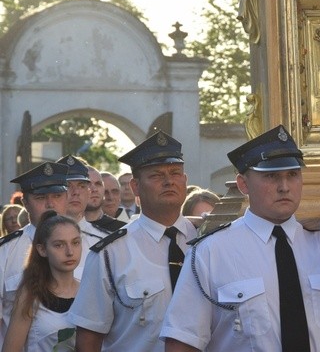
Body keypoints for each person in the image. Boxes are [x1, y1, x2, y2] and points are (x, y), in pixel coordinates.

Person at [161, 124, 320, 351]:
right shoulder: (211, 252)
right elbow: (182, 342)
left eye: (293, 175)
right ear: (243, 184)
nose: (284, 187)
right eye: (271, 176)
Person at [67, 130, 197, 351]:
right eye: (156, 175)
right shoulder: (111, 254)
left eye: (175, 173)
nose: (168, 181)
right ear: (135, 186)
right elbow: (88, 341)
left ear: (185, 180)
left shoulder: (207, 242)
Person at [0, 162, 69, 341]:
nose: (50, 204)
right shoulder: (5, 252)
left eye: (57, 195)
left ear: (67, 198)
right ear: (25, 203)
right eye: (40, 198)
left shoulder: (89, 246)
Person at [1, 210, 81, 352]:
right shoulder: (30, 294)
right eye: (59, 245)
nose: (70, 252)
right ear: (42, 249)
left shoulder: (88, 291)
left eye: (75, 242)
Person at [82, 166, 126, 235]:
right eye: (88, 184)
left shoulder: (123, 230)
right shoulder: (66, 228)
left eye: (98, 184)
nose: (94, 189)